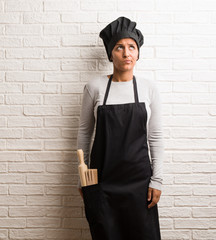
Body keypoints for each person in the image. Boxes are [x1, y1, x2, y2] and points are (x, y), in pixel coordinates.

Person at [77, 16, 164, 240]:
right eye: (119, 47)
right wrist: (83, 178)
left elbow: (155, 137)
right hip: (103, 183)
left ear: (137, 53)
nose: (126, 53)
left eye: (131, 47)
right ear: (110, 53)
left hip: (140, 184)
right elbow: (85, 134)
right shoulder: (94, 87)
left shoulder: (148, 88)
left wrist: (157, 180)